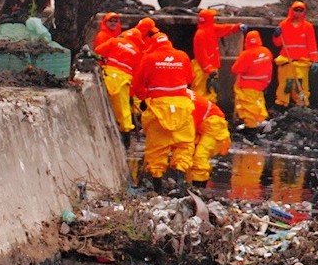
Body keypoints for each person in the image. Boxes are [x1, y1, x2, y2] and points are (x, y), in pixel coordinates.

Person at [133, 32, 195, 191]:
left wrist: (145, 97)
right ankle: (180, 181)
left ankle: (157, 187)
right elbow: (189, 78)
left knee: (156, 150)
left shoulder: (149, 58)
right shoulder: (182, 56)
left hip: (158, 110)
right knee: (184, 146)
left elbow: (137, 85)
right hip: (182, 108)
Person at [98, 32, 142, 145]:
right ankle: (125, 136)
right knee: (123, 108)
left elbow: (98, 51)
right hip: (123, 80)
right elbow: (137, 73)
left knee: (107, 103)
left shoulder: (114, 41)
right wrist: (132, 92)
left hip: (108, 75)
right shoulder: (137, 51)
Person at [273, 0, 318, 107]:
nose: (298, 12)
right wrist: (276, 35)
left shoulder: (308, 27)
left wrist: (315, 60)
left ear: (304, 12)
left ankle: (302, 104)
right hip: (286, 61)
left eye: (300, 10)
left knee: (301, 86)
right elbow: (277, 43)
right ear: (291, 11)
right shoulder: (283, 25)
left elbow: (312, 45)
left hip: (302, 62)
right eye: (296, 10)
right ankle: (282, 105)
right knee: (285, 85)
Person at [191, 8, 241, 102]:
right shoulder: (200, 34)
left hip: (211, 67)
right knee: (201, 92)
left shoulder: (211, 29)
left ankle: (209, 111)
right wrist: (208, 69)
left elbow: (225, 28)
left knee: (211, 91)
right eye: (212, 17)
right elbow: (201, 55)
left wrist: (237, 27)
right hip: (203, 69)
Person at [187, 90, 232, 188]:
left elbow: (188, 130)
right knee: (194, 155)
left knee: (200, 157)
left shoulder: (183, 102)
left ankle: (199, 187)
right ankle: (197, 185)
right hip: (206, 126)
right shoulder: (182, 96)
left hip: (214, 127)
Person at [231, 30, 274, 130]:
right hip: (262, 84)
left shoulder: (246, 54)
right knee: (258, 103)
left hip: (248, 85)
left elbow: (235, 69)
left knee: (248, 106)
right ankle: (260, 121)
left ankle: (251, 127)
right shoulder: (266, 51)